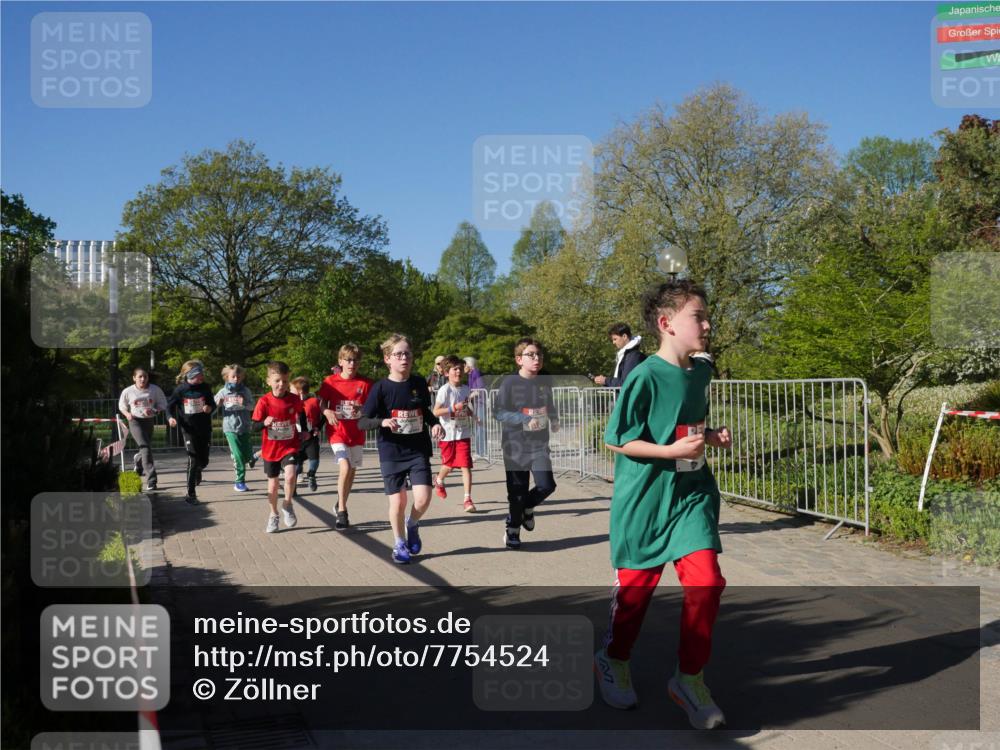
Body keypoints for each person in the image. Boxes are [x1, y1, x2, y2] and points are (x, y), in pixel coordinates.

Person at [595, 279, 732, 730]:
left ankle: (689, 679)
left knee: (707, 583)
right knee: (634, 598)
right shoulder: (645, 375)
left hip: (690, 496)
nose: (707, 325)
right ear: (666, 323)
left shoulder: (701, 372)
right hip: (646, 500)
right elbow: (617, 440)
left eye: (706, 317)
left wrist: (708, 436)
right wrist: (670, 452)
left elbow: (681, 426)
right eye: (698, 317)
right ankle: (613, 659)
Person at [359, 334, 444, 564]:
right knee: (398, 502)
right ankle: (399, 543)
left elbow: (424, 412)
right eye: (398, 354)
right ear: (388, 359)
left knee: (423, 499)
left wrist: (435, 424)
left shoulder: (418, 383)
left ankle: (412, 524)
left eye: (407, 353)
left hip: (417, 450)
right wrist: (383, 422)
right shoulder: (380, 388)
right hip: (392, 452)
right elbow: (362, 421)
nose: (404, 358)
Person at [495, 338, 560, 550]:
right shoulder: (510, 383)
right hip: (515, 446)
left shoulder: (544, 380)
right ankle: (513, 529)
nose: (536, 358)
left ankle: (527, 507)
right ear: (519, 360)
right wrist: (523, 418)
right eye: (531, 355)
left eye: (539, 354)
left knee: (547, 485)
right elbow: (498, 412)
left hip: (539, 444)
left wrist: (554, 418)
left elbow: (549, 403)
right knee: (517, 491)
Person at [318, 344, 373, 530]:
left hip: (356, 433)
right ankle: (342, 511)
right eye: (348, 360)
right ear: (340, 361)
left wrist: (362, 409)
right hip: (337, 433)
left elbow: (372, 406)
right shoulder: (330, 381)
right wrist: (326, 412)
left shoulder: (365, 383)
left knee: (351, 472)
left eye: (355, 360)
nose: (352, 364)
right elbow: (321, 402)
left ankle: (340, 503)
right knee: (345, 466)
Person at [251, 361, 304, 534]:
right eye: (277, 381)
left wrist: (305, 431)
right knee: (273, 485)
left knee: (290, 475)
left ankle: (287, 504)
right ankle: (273, 514)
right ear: (269, 381)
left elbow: (302, 414)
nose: (281, 384)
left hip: (289, 446)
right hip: (271, 449)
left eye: (285, 381)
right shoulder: (264, 401)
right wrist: (264, 423)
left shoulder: (294, 399)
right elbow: (254, 426)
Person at [166, 360, 216, 505]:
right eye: (199, 375)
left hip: (204, 428)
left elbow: (212, 403)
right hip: (188, 429)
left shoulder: (205, 387)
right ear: (190, 375)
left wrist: (209, 408)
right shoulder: (180, 390)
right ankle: (191, 494)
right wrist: (170, 418)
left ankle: (198, 469)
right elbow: (169, 407)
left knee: (204, 461)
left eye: (202, 374)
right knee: (192, 459)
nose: (202, 377)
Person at [433, 355, 478, 513]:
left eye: (460, 369)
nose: (458, 371)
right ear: (446, 373)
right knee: (449, 465)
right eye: (455, 369)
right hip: (448, 435)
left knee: (465, 465)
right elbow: (436, 411)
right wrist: (453, 408)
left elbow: (466, 407)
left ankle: (467, 499)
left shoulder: (466, 389)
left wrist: (474, 416)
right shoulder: (444, 390)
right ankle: (439, 480)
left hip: (463, 433)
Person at [118, 367, 168, 492]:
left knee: (145, 447)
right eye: (140, 376)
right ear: (134, 378)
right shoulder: (128, 391)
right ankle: (152, 480)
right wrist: (127, 414)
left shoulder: (154, 390)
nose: (143, 379)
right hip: (134, 421)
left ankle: (138, 460)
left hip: (149, 421)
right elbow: (122, 406)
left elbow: (163, 404)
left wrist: (154, 410)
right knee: (145, 447)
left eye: (145, 376)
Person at [215, 364, 256, 493]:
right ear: (227, 377)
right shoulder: (223, 391)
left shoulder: (246, 391)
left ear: (242, 377)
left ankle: (252, 457)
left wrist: (244, 404)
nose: (236, 379)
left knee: (247, 455)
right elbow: (214, 405)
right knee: (238, 456)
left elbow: (252, 406)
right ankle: (239, 482)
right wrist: (218, 403)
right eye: (233, 376)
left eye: (238, 376)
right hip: (230, 427)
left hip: (244, 426)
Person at [290, 376, 322, 498]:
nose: (290, 392)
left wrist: (317, 427)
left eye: (293, 390)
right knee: (297, 466)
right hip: (295, 438)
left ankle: (311, 475)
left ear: (301, 392)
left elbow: (323, 415)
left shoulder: (313, 402)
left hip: (310, 437)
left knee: (315, 459)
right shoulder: (289, 403)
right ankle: (293, 489)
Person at [592, 323, 645, 387]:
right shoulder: (627, 355)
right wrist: (605, 381)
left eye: (615, 339)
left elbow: (625, 383)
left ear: (624, 336)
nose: (613, 342)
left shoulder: (633, 356)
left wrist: (605, 380)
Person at [464, 356, 487, 457]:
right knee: (477, 427)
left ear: (469, 365)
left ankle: (481, 452)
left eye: (464, 365)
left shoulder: (475, 373)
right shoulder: (470, 374)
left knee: (480, 427)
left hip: (481, 403)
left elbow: (480, 389)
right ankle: (479, 451)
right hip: (477, 403)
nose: (462, 367)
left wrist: (469, 396)